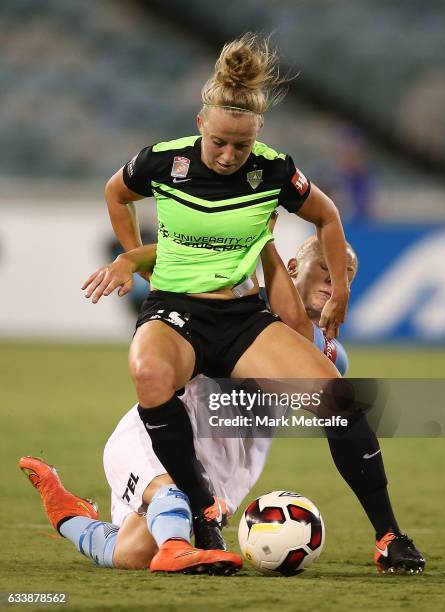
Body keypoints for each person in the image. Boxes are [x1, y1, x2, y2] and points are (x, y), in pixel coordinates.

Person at [95, 33, 350, 563]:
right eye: (220, 143)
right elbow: (122, 199)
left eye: (242, 145)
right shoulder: (166, 166)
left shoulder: (271, 183)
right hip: (169, 413)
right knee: (155, 532)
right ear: (200, 127)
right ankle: (185, 516)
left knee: (133, 550)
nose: (230, 156)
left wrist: (266, 250)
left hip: (222, 448)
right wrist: (133, 259)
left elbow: (297, 319)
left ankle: (81, 519)